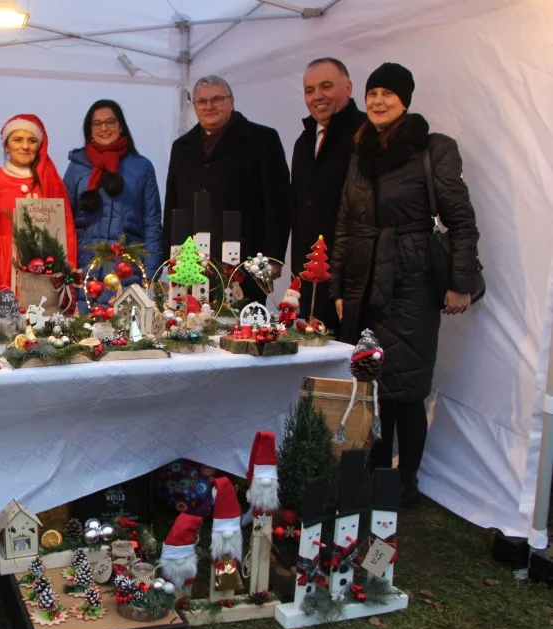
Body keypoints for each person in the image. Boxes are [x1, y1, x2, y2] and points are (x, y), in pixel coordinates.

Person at [330, 63, 481, 505]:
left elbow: (461, 221)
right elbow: (344, 224)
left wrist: (460, 282)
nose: (377, 101)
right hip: (363, 280)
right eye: (372, 92)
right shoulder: (361, 151)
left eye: (387, 93)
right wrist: (339, 288)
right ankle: (374, 471)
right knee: (369, 383)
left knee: (408, 388)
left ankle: (406, 481)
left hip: (412, 282)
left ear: (406, 99)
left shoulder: (434, 149)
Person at [162, 75, 291, 292]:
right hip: (191, 263)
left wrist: (273, 257)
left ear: (232, 101)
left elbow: (278, 202)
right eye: (202, 102)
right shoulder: (181, 147)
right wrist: (169, 257)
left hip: (246, 261)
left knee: (243, 324)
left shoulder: (262, 140)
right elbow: (172, 203)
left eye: (217, 99)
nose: (209, 106)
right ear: (194, 106)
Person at [290, 58, 366, 335]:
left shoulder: (366, 134)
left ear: (348, 87)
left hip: (350, 278)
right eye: (309, 90)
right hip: (309, 276)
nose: (317, 96)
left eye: (326, 86)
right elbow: (298, 209)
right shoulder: (304, 141)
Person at [63, 100, 162, 306]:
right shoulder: (77, 167)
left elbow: (152, 222)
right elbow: (64, 219)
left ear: (121, 126)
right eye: (97, 123)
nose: (104, 128)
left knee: (124, 331)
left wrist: (151, 273)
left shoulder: (142, 167)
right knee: (82, 334)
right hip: (85, 265)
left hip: (128, 267)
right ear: (89, 130)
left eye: (110, 121)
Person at [0, 114, 76, 304]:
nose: (25, 146)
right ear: (6, 145)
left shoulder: (50, 182)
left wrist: (68, 269)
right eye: (18, 139)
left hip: (41, 267)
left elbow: (65, 227)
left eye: (32, 140)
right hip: (0, 263)